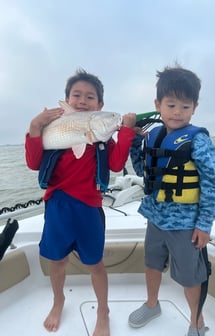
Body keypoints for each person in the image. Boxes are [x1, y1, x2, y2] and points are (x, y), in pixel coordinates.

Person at [25, 69, 136, 336]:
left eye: (90, 97)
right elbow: (33, 163)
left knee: (94, 264)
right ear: (66, 100)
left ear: (99, 106)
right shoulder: (57, 128)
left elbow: (117, 164)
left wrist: (126, 132)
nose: (83, 100)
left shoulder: (101, 141)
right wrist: (35, 127)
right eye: (77, 95)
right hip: (58, 207)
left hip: (88, 207)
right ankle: (58, 300)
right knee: (57, 261)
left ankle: (103, 310)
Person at [128, 66, 215, 336]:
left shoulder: (199, 141)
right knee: (151, 263)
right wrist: (135, 143)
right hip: (155, 218)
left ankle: (197, 322)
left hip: (185, 224)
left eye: (185, 106)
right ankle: (152, 304)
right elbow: (143, 171)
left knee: (191, 277)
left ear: (194, 108)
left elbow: (212, 185)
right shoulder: (154, 136)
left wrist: (204, 225)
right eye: (171, 105)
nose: (177, 112)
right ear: (158, 105)